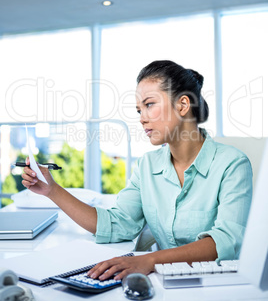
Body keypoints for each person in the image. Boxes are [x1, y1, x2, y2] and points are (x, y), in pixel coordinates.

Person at [22, 60, 252, 281]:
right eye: (138, 110)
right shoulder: (147, 166)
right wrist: (51, 190)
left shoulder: (232, 164)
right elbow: (117, 225)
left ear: (182, 105)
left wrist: (150, 260)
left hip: (219, 286)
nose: (142, 119)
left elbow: (225, 241)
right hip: (165, 286)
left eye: (149, 105)